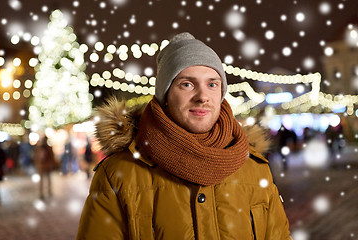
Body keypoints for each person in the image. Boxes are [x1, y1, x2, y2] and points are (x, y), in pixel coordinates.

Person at [77, 32, 292, 239]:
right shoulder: (117, 174)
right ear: (166, 95)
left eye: (212, 84)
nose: (202, 97)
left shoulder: (254, 168)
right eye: (187, 84)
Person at [33, 135, 55, 200]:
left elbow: (35, 157)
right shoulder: (46, 148)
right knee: (46, 180)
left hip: (43, 166)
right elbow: (52, 157)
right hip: (45, 166)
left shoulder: (40, 148)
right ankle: (46, 192)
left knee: (44, 180)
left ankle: (43, 193)